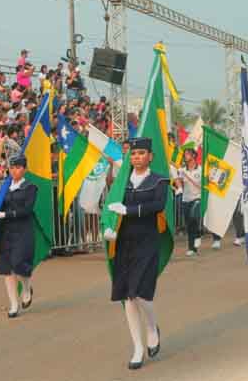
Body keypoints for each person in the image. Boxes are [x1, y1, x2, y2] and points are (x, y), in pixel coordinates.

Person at [104, 137, 169, 370]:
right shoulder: (123, 181)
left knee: (141, 293)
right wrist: (110, 226)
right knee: (128, 295)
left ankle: (152, 327)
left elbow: (158, 205)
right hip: (125, 242)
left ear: (150, 156)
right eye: (133, 154)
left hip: (147, 240)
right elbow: (111, 207)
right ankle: (138, 348)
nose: (137, 157)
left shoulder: (159, 179)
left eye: (141, 153)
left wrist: (129, 210)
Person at [0, 156, 38, 318]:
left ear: (25, 169)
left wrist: (5, 214)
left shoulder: (30, 187)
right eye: (12, 167)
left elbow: (27, 210)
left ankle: (27, 287)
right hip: (5, 230)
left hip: (23, 229)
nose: (14, 170)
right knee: (7, 268)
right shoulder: (5, 187)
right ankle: (14, 304)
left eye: (18, 167)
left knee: (18, 263)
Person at [177, 149, 202, 257]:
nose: (186, 156)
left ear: (193, 155)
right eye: (185, 154)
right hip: (186, 199)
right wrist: (178, 182)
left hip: (197, 198)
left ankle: (198, 236)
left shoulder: (201, 169)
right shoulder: (182, 170)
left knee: (193, 217)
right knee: (189, 224)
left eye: (187, 154)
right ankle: (191, 247)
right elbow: (179, 182)